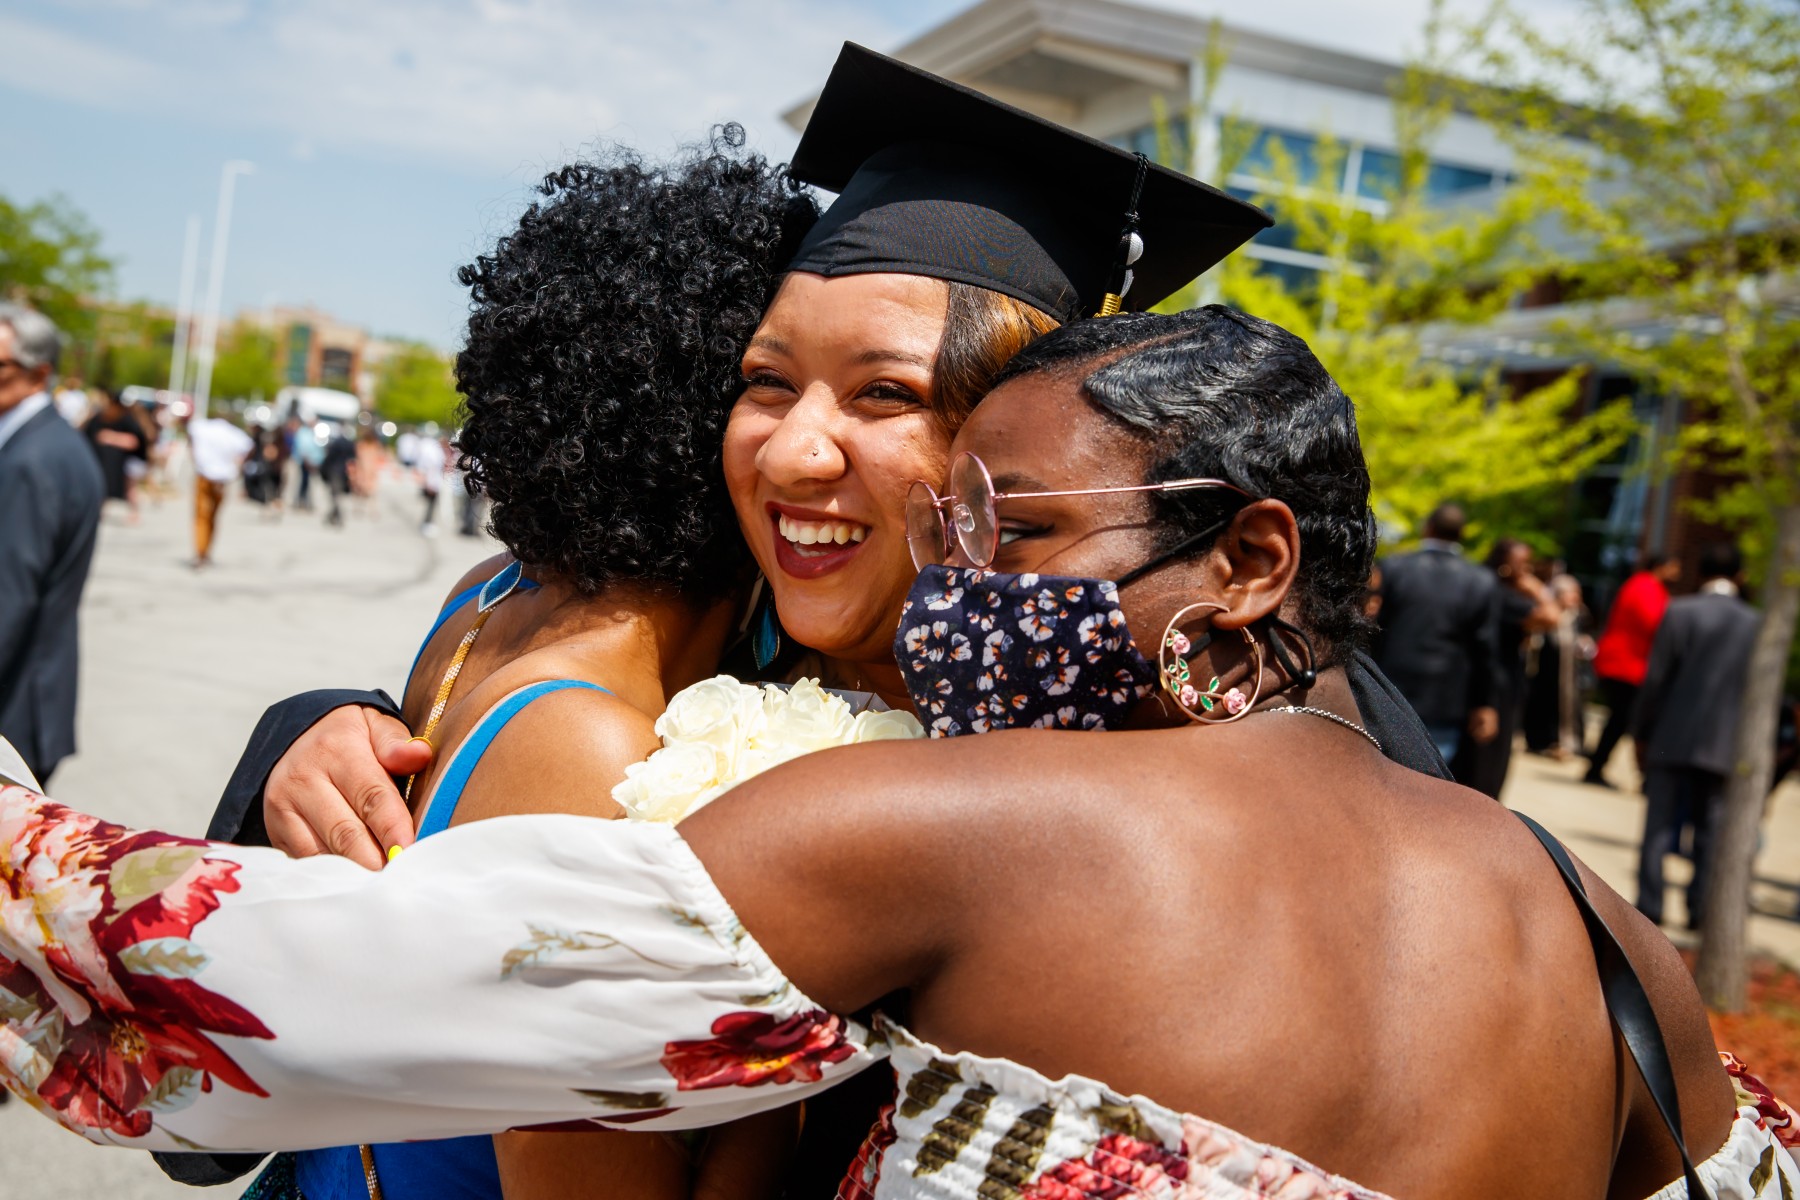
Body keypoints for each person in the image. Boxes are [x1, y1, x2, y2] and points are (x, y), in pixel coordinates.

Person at [5, 307, 1796, 1200]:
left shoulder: (962, 826)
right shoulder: (1604, 942)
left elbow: (235, 1003)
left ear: (1247, 561)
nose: (950, 604)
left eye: (1002, 540)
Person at [0, 303, 104, 788]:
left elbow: (8, 597)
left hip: (15, 709)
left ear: (38, 373)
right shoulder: (48, 443)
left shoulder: (32, 460)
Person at [1632, 541, 1761, 930]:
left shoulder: (1679, 611)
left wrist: (1640, 732)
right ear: (1739, 576)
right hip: (1727, 743)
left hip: (1673, 735)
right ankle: (1699, 909)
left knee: (1658, 826)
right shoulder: (1755, 623)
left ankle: (1650, 905)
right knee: (1712, 831)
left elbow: (1655, 680)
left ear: (1700, 572)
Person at [1370, 503, 1503, 771]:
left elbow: (1372, 628)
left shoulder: (1394, 568)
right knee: (1427, 780)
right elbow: (1485, 648)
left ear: (1428, 528)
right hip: (1446, 697)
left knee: (1377, 771)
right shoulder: (1482, 581)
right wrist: (1484, 703)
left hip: (1389, 688)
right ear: (1462, 534)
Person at [1456, 537, 1563, 798]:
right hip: (1497, 684)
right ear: (1505, 563)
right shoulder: (1502, 594)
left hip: (1487, 681)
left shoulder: (1489, 588)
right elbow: (1551, 617)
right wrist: (1537, 588)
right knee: (1487, 760)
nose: (1527, 569)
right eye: (1522, 563)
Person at [1585, 553, 1681, 786]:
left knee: (1620, 720)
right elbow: (1655, 623)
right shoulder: (1645, 586)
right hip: (1625, 665)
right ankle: (1597, 768)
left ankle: (1598, 767)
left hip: (1626, 663)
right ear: (1661, 567)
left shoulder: (1643, 585)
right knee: (1623, 719)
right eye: (1674, 567)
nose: (1677, 573)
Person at [185, 410, 254, 568]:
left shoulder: (202, 427)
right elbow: (249, 447)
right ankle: (205, 551)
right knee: (213, 516)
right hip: (222, 479)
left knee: (201, 516)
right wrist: (239, 464)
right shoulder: (233, 433)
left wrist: (194, 454)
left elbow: (190, 434)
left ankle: (200, 551)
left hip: (204, 474)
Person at [81, 387, 150, 522]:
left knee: (130, 487)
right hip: (118, 459)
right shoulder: (107, 416)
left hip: (132, 460)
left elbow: (134, 441)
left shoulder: (129, 418)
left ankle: (134, 513)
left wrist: (111, 438)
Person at [414, 426, 445, 536]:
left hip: (432, 478)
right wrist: (429, 482)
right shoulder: (430, 446)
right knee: (430, 503)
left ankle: (427, 522)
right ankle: (426, 523)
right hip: (431, 479)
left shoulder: (425, 445)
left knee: (431, 503)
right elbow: (430, 465)